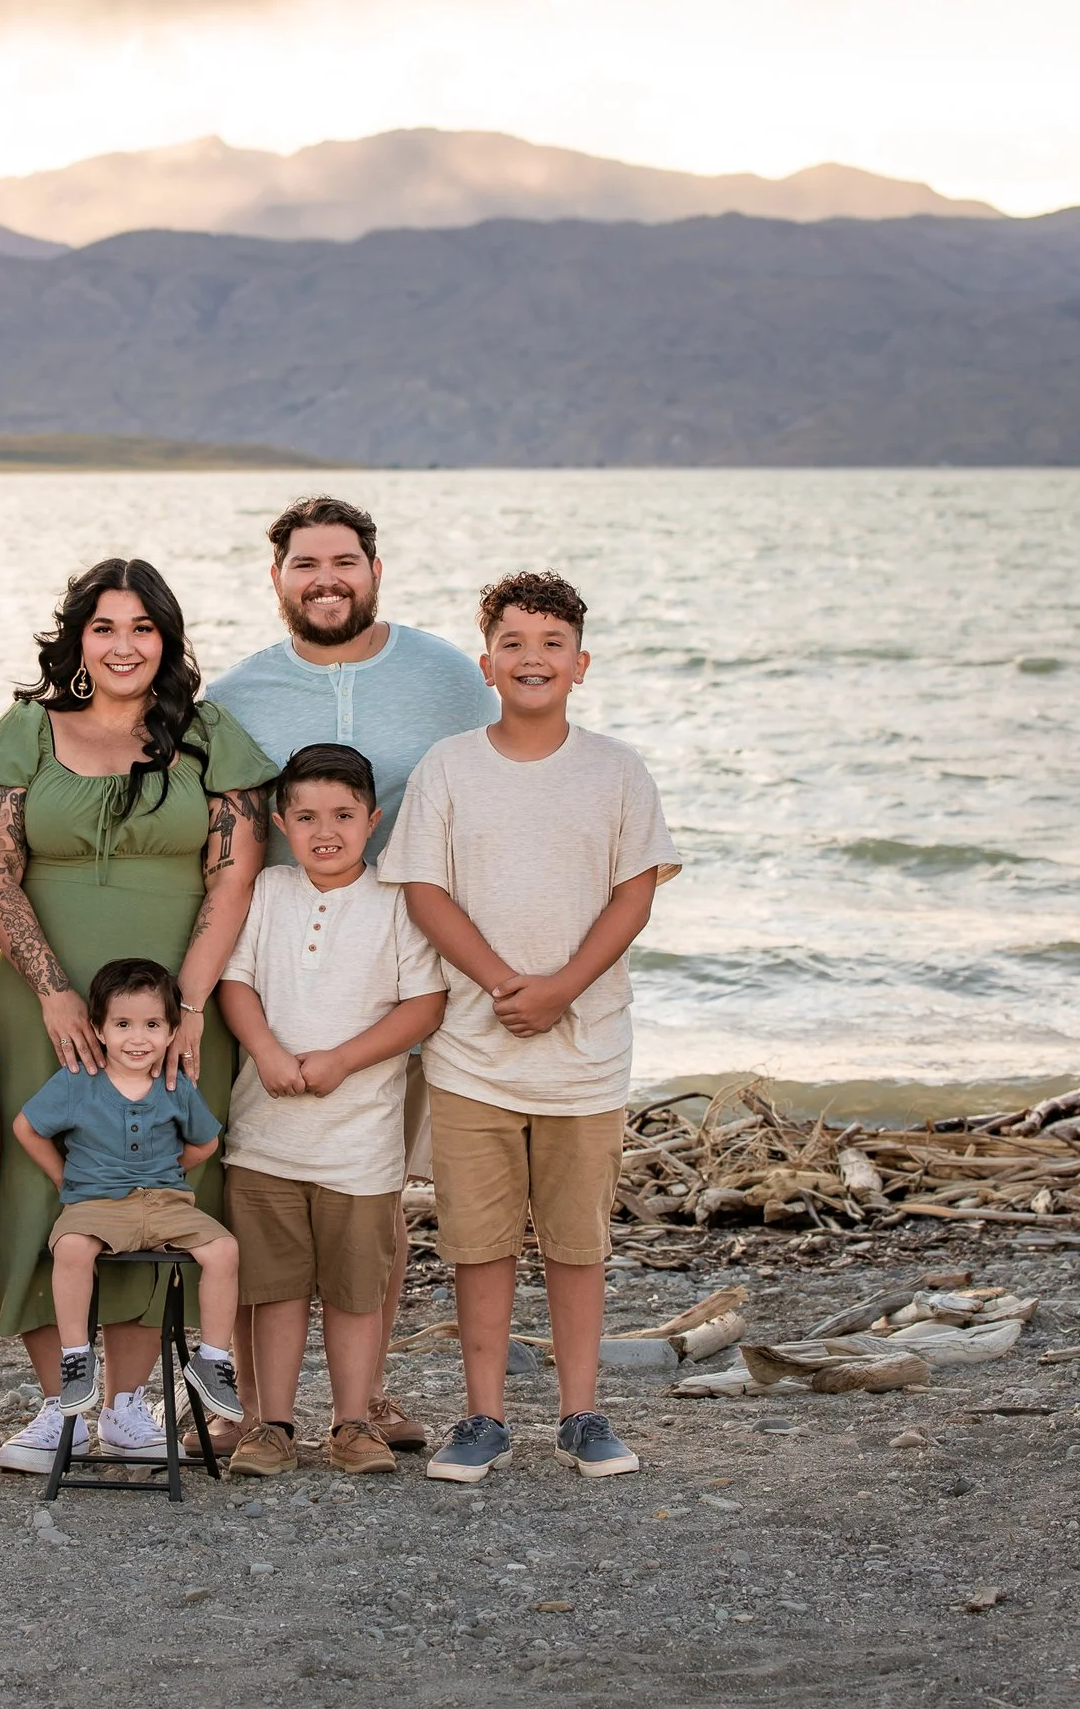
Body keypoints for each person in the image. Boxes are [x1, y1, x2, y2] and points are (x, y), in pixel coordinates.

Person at [0, 559, 277, 1470]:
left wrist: (188, 1004)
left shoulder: (210, 735)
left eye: (143, 627)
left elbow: (235, 873)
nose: (125, 645)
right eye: (105, 626)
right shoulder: (27, 729)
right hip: (41, 1002)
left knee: (160, 1184)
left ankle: (131, 1407)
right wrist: (53, 988)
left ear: (168, 639)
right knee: (41, 1187)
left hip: (176, 1009)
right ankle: (59, 1402)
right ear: (78, 639)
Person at [380, 570, 683, 1485]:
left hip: (587, 1053)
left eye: (552, 644)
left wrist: (563, 988)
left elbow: (636, 894)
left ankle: (583, 1414)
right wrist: (507, 982)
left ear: (581, 664)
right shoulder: (449, 768)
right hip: (473, 1052)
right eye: (513, 643)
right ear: (486, 663)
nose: (532, 659)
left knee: (577, 1241)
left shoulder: (615, 770)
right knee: (479, 1242)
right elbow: (424, 890)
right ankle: (482, 1418)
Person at [208, 494, 496, 1453]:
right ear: (278, 577)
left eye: (343, 562)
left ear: (375, 571)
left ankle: (365, 1400)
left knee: (375, 1192)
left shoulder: (450, 677)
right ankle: (270, 1414)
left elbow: (491, 785)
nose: (325, 579)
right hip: (280, 962)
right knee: (279, 1219)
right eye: (304, 564)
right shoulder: (241, 694)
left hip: (403, 952)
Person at [212, 744, 447, 1476]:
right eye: (307, 815)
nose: (326, 830)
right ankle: (271, 1425)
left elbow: (426, 1004)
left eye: (344, 816)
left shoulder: (396, 900)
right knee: (273, 1290)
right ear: (281, 822)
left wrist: (343, 1059)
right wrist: (269, 1051)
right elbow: (235, 981)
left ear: (373, 821)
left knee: (354, 1292)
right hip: (265, 1139)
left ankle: (353, 1422)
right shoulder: (270, 891)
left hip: (359, 1147)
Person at [12, 958, 246, 1426]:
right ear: (97, 1029)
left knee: (223, 1249)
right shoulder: (79, 1082)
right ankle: (77, 1357)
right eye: (123, 1024)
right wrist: (64, 1178)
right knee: (72, 1247)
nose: (138, 1038)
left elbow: (205, 1142)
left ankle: (214, 1360)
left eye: (152, 1025)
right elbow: (27, 1127)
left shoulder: (173, 1084)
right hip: (95, 1203)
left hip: (165, 1202)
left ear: (171, 1030)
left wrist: (168, 1171)